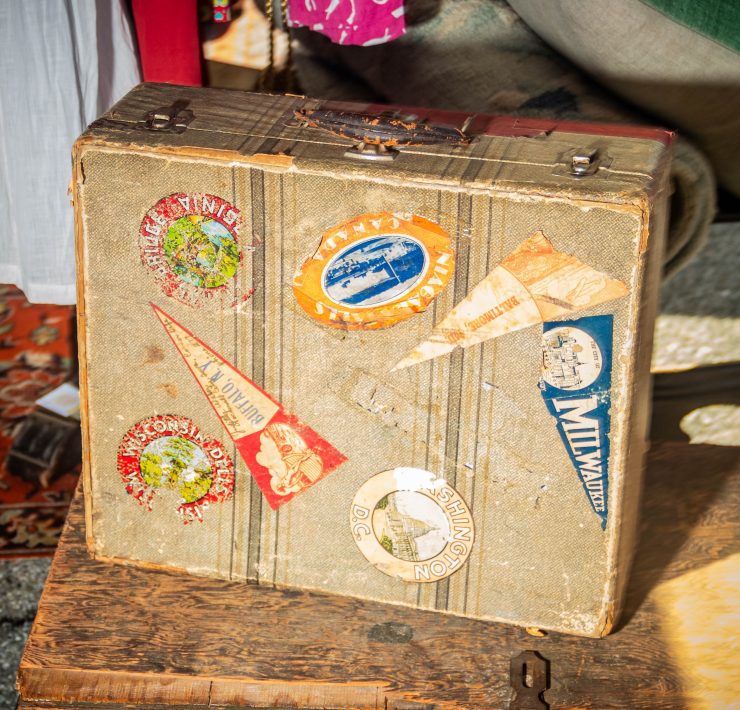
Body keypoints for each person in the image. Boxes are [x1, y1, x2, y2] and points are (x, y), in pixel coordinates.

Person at [256, 421, 324, 496]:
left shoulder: (286, 482)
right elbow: (294, 473)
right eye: (280, 485)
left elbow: (293, 472)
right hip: (295, 469)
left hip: (295, 467)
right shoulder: (288, 483)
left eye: (279, 485)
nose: (281, 483)